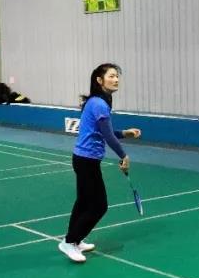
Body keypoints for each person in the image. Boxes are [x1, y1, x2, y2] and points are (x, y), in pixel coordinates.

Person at [58, 63, 141, 263]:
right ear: (99, 80)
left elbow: (104, 133)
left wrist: (125, 133)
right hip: (86, 160)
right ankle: (69, 242)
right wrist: (123, 156)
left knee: (83, 202)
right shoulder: (99, 104)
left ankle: (75, 240)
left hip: (83, 159)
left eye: (117, 76)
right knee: (99, 206)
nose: (116, 79)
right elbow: (108, 136)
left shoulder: (99, 101)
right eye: (111, 76)